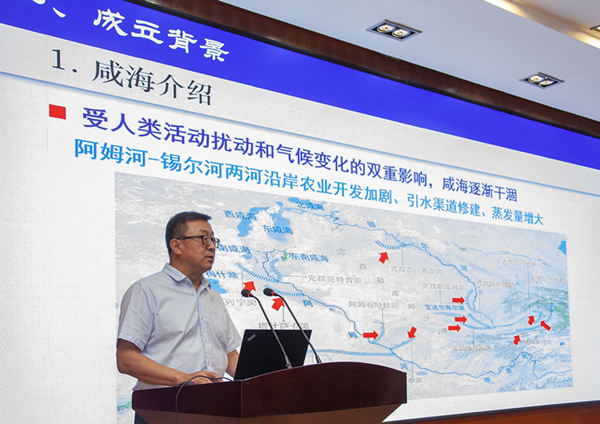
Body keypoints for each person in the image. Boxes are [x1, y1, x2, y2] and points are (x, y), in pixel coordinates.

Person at [116, 211, 241, 423]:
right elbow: (126, 359)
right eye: (204, 238)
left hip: (214, 409)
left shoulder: (214, 297)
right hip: (162, 410)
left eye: (213, 240)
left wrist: (261, 385)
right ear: (176, 246)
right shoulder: (146, 290)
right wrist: (183, 379)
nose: (212, 246)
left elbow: (229, 355)